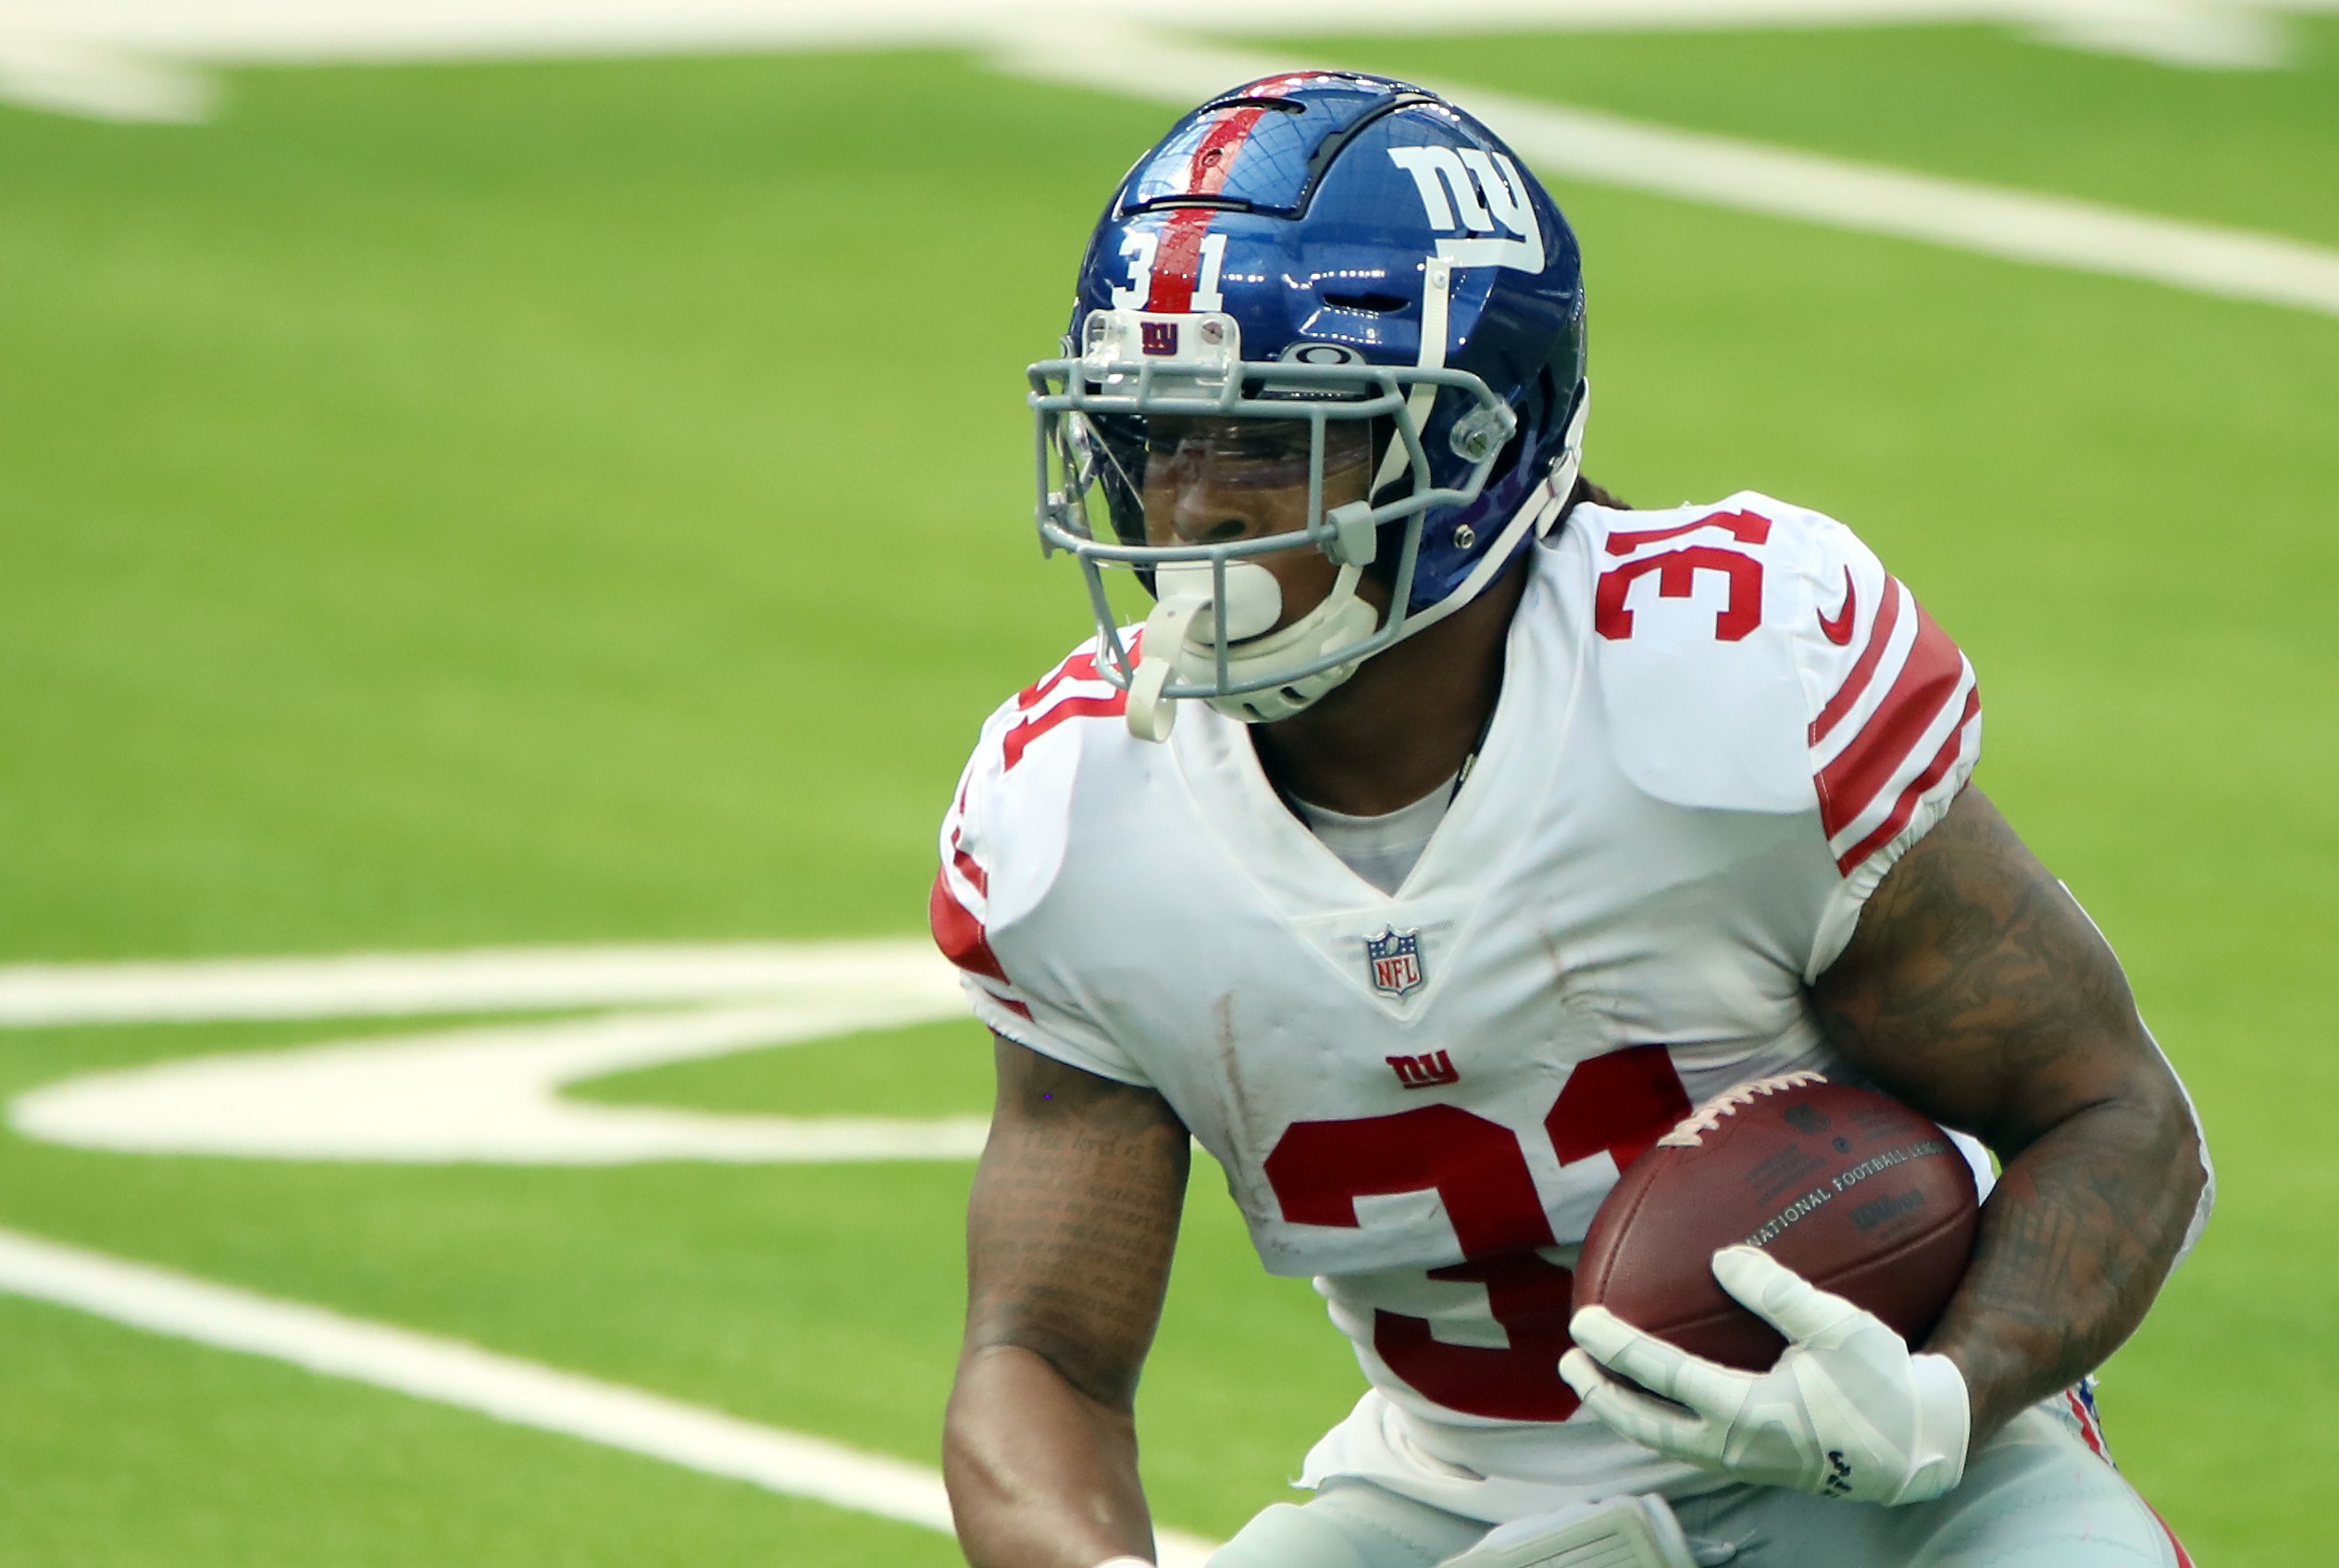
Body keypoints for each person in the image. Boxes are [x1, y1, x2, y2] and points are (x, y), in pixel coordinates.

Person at [932, 70, 2211, 1568]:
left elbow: (2116, 1118)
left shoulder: (1726, 684)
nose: (1192, 509)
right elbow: (1039, 1357)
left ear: (1471, 449)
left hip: (1895, 1480)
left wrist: (1945, 1392)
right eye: (1158, 433)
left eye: (1272, 437)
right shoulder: (1075, 816)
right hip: (1453, 1496)